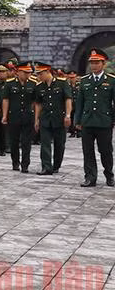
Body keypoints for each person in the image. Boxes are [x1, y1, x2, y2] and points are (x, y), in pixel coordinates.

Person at [74, 49, 115, 187]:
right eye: (92, 63)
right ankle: (90, 177)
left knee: (106, 151)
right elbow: (79, 103)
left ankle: (109, 175)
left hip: (104, 122)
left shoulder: (111, 80)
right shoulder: (84, 80)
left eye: (97, 63)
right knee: (88, 151)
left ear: (103, 63)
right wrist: (77, 120)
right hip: (87, 121)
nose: (94, 65)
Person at [33, 62, 72, 176]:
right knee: (45, 143)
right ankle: (46, 167)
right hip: (45, 118)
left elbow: (68, 99)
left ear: (47, 72)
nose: (39, 76)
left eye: (40, 74)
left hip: (59, 118)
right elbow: (38, 104)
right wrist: (36, 119)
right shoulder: (39, 87)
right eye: (37, 74)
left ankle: (56, 165)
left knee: (59, 144)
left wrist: (68, 115)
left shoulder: (62, 83)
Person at [1, 62, 38, 173]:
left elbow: (36, 102)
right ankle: (15, 162)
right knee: (14, 141)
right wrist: (4, 115)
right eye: (25, 72)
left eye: (29, 73)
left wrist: (36, 117)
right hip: (14, 115)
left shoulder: (33, 84)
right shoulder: (10, 84)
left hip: (28, 116)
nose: (28, 75)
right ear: (19, 72)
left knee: (26, 142)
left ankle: (25, 164)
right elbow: (6, 100)